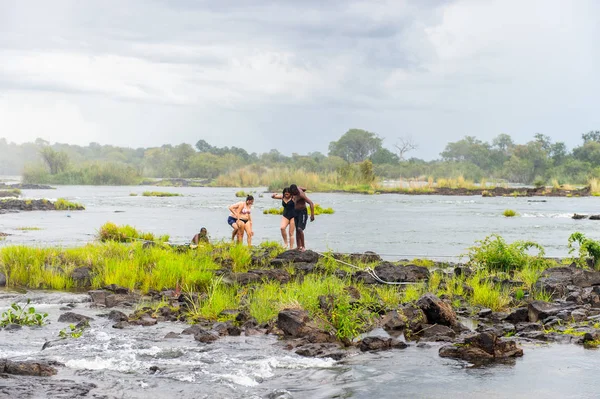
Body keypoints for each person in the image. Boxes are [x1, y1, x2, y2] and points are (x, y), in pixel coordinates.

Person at [289, 184, 314, 251]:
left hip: (302, 212)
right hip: (296, 212)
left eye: (295, 193)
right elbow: (304, 188)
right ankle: (298, 246)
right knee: (297, 229)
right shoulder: (295, 190)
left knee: (300, 229)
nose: (295, 194)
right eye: (293, 193)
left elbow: (311, 203)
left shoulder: (301, 194)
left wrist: (312, 215)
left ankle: (303, 247)